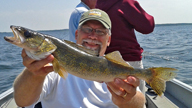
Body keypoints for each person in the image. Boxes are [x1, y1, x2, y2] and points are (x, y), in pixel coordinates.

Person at [13, 9, 145, 108]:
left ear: (109, 40)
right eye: (87, 29)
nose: (93, 36)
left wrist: (128, 99)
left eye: (100, 31)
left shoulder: (116, 65)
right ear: (76, 34)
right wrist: (33, 74)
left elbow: (139, 103)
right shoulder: (49, 66)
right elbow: (22, 101)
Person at [96, 0, 155, 94]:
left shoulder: (96, 7)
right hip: (130, 61)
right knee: (135, 101)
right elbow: (148, 26)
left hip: (106, 64)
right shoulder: (125, 2)